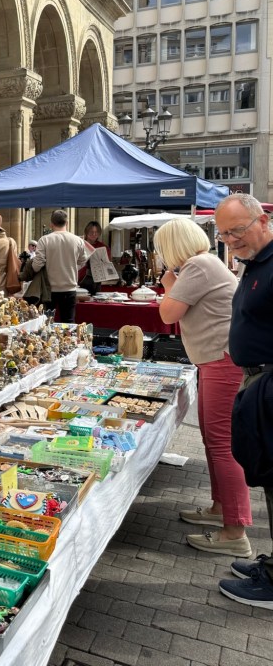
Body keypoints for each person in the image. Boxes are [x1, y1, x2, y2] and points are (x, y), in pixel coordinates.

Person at [153, 218, 250, 559]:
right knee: (214, 439)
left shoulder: (197, 265)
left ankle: (235, 531)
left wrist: (167, 284)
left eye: (162, 248)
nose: (161, 255)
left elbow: (168, 313)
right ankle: (220, 509)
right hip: (216, 359)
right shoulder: (203, 264)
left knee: (222, 444)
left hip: (221, 361)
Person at [213, 193, 273, 607]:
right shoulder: (258, 263)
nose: (230, 240)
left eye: (237, 230)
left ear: (263, 220)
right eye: (224, 234)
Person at [30, 209, 87, 323]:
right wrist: (72, 267)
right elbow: (83, 261)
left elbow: (37, 265)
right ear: (67, 223)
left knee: (46, 322)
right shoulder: (78, 240)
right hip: (69, 287)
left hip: (49, 289)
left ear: (51, 224)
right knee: (68, 322)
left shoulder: (44, 240)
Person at [78, 220, 110, 288]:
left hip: (97, 279)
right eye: (91, 232)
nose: (94, 234)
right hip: (80, 278)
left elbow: (107, 263)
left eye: (96, 232)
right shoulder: (80, 244)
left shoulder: (102, 246)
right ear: (86, 232)